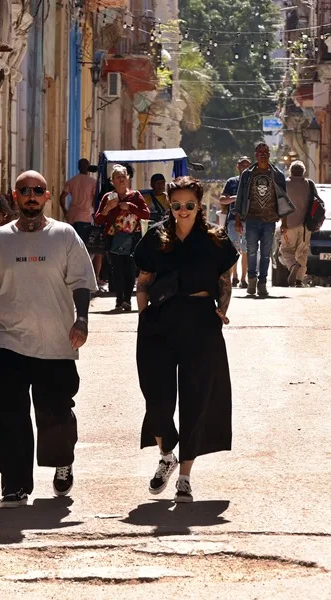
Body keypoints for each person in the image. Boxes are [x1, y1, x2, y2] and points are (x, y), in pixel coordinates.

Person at [0, 170, 97, 509]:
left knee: (55, 412)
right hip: (9, 341)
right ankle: (14, 484)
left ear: (47, 196)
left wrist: (81, 319)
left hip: (56, 341)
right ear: (15, 196)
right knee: (7, 414)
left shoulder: (64, 235)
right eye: (24, 190)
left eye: (38, 190)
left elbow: (81, 281)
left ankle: (62, 460)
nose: (31, 195)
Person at [133, 176, 238, 503]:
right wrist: (143, 315)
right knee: (157, 399)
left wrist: (222, 311)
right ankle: (167, 455)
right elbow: (143, 280)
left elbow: (224, 280)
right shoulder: (156, 236)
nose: (182, 210)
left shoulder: (215, 239)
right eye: (176, 204)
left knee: (197, 398)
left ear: (199, 204)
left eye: (189, 205)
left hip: (200, 322)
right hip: (159, 321)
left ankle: (185, 477)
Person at [231, 143, 295, 298]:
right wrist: (238, 220)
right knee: (251, 250)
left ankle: (262, 283)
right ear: (255, 154)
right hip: (251, 219)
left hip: (269, 220)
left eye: (266, 151)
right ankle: (251, 280)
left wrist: (284, 223)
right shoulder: (247, 174)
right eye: (260, 152)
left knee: (266, 253)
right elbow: (240, 198)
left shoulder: (277, 175)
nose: (263, 154)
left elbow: (283, 199)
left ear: (269, 154)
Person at [94, 164, 149, 312]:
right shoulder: (108, 197)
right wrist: (108, 208)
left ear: (128, 178)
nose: (121, 179)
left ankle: (127, 300)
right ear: (112, 180)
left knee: (130, 269)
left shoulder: (135, 196)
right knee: (117, 270)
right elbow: (98, 220)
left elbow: (146, 214)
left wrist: (130, 206)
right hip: (113, 238)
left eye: (123, 176)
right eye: (118, 177)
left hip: (132, 238)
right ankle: (119, 300)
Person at [60, 158, 102, 286]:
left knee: (72, 246)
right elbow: (95, 200)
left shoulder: (72, 181)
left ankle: (72, 273)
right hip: (85, 217)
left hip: (72, 216)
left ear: (78, 167)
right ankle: (86, 276)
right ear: (88, 167)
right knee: (85, 247)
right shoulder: (92, 182)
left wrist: (65, 211)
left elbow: (62, 197)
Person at [281, 161, 320, 287]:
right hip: (305, 226)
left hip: (288, 224)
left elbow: (281, 204)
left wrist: (282, 223)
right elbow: (317, 203)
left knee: (286, 250)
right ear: (303, 172)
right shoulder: (309, 184)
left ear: (291, 171)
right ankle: (299, 280)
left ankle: (293, 265)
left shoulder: (285, 184)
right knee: (302, 252)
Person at [221, 156, 252, 287]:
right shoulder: (231, 182)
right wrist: (236, 198)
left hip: (250, 220)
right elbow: (223, 199)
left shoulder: (254, 182)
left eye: (247, 165)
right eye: (242, 165)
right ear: (237, 166)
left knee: (246, 250)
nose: (245, 167)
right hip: (233, 220)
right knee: (233, 249)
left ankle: (243, 279)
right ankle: (234, 277)